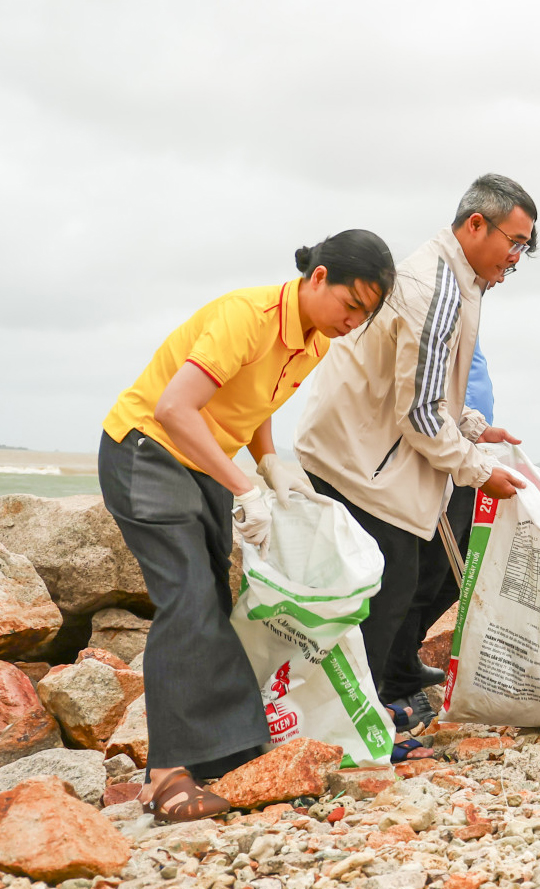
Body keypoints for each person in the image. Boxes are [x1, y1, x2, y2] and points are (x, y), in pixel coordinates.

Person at [99, 230, 395, 821]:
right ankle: (165, 777)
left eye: (367, 314)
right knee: (185, 597)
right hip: (146, 450)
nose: (354, 321)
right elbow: (173, 408)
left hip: (200, 460)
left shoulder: (315, 342)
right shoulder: (247, 316)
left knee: (216, 598)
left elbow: (255, 404)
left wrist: (268, 462)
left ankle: (225, 749)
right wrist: (243, 487)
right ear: (318, 278)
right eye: (352, 304)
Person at [295, 175, 535, 755]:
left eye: (525, 247)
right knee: (389, 586)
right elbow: (420, 412)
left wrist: (474, 428)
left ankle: (369, 700)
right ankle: (353, 729)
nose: (517, 255)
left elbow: (429, 388)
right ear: (475, 224)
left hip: (360, 444)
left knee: (404, 579)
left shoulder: (458, 278)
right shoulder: (437, 288)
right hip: (356, 456)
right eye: (515, 240)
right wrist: (478, 468)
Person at [380, 336, 497, 728]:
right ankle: (396, 679)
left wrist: (475, 428)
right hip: (434, 451)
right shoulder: (434, 293)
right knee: (422, 573)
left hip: (467, 447)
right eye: (503, 268)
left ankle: (405, 656)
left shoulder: (468, 303)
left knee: (455, 572)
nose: (502, 277)